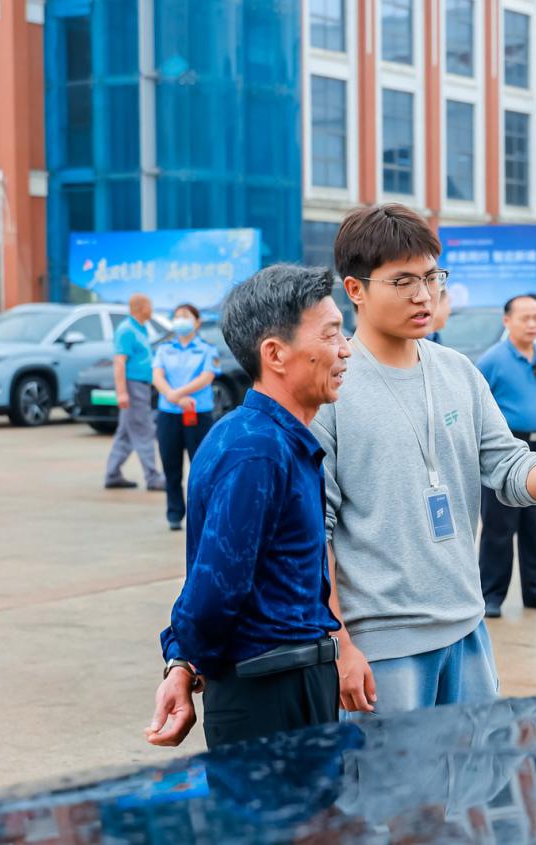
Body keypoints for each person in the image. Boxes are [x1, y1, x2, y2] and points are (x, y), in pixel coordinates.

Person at [313, 203, 536, 717]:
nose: (423, 295)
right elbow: (314, 533)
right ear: (355, 289)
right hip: (382, 645)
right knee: (393, 772)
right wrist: (340, 644)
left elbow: (511, 471)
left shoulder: (459, 372)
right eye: (403, 281)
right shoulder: (330, 389)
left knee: (475, 767)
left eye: (432, 277)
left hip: (467, 629)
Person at [145, 265, 351, 749]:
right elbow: (215, 590)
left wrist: (182, 662)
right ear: (275, 354)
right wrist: (181, 658)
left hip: (288, 682)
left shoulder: (270, 437)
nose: (345, 350)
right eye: (331, 335)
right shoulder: (257, 450)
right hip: (270, 692)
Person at [478, 294, 536, 617]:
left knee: (532, 523)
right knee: (498, 526)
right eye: (524, 317)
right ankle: (490, 595)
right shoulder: (492, 360)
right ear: (507, 321)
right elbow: (478, 406)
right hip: (505, 448)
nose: (532, 324)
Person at [151, 304, 222, 531]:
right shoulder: (164, 349)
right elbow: (157, 376)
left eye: (186, 316)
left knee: (201, 466)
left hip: (197, 414)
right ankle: (174, 513)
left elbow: (206, 377)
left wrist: (177, 394)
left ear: (197, 322)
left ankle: (200, 514)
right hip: (169, 414)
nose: (181, 320)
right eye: (177, 316)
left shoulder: (207, 349)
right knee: (171, 466)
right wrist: (172, 396)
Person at [104, 293, 165, 491]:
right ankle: (152, 477)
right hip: (134, 387)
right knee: (144, 430)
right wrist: (122, 392)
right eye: (150, 305)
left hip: (141, 386)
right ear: (141, 307)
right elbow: (119, 363)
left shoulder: (140, 329)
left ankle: (112, 474)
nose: (152, 309)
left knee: (126, 433)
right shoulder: (127, 330)